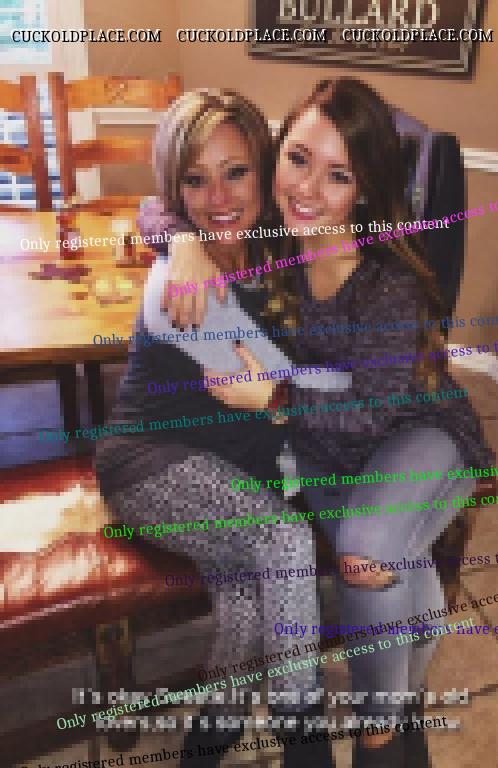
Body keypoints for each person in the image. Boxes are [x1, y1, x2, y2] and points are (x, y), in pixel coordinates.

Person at [143, 78, 494, 768]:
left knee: (367, 553)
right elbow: (163, 203)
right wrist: (181, 241)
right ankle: (404, 713)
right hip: (326, 447)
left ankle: (378, 734)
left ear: (364, 190)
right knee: (401, 578)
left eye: (339, 175)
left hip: (418, 431)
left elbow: (372, 412)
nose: (307, 189)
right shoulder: (276, 242)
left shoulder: (387, 281)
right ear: (275, 155)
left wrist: (275, 397)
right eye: (298, 159)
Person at [95, 89, 333, 768]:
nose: (219, 197)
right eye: (195, 180)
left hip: (233, 467)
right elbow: (290, 387)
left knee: (246, 599)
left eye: (236, 172)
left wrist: (177, 230)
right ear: (176, 188)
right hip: (151, 466)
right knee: (283, 540)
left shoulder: (268, 244)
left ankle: (208, 741)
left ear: (264, 168)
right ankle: (303, 737)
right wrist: (180, 239)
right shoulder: (184, 289)